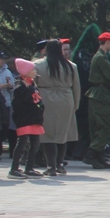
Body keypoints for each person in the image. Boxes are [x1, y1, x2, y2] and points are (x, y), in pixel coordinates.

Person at [35, 39, 80, 176]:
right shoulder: (71, 66)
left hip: (46, 98)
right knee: (62, 134)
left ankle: (51, 165)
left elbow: (34, 84)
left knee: (48, 134)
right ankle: (60, 164)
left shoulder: (38, 64)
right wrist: (76, 104)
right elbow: (76, 87)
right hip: (66, 99)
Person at [85, 31, 110, 169]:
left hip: (100, 93)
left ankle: (98, 157)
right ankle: (91, 154)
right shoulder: (100, 58)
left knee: (99, 126)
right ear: (107, 42)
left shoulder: (102, 56)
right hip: (99, 94)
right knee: (105, 126)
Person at [9, 58, 45, 179]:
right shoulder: (20, 86)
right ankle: (14, 169)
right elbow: (18, 104)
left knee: (35, 143)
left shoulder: (32, 83)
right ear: (26, 71)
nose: (35, 71)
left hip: (35, 119)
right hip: (25, 119)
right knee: (22, 143)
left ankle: (29, 168)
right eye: (33, 69)